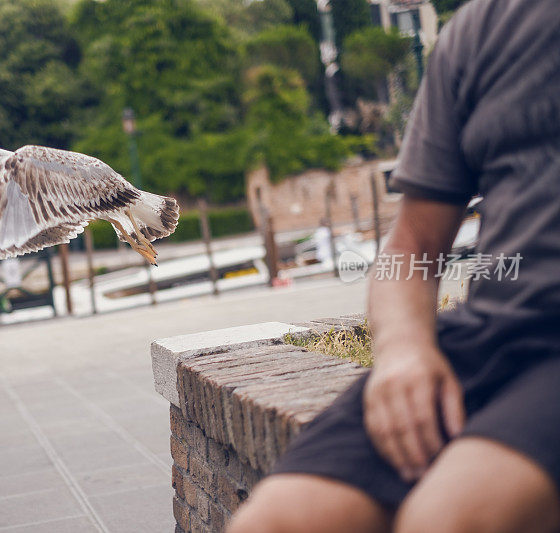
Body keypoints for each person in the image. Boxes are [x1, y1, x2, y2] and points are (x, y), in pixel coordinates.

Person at [228, 1, 560, 531]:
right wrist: (404, 350)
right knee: (272, 522)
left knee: (449, 519)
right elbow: (411, 246)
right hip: (486, 336)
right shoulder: (482, 28)